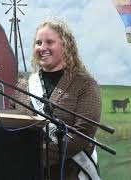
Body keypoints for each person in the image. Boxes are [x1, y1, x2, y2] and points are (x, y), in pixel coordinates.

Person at [12, 18, 101, 180]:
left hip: (71, 173)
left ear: (65, 46)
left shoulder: (84, 84)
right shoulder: (23, 85)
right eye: (38, 43)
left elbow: (83, 133)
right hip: (29, 173)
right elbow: (13, 124)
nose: (42, 48)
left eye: (50, 42)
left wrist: (38, 156)